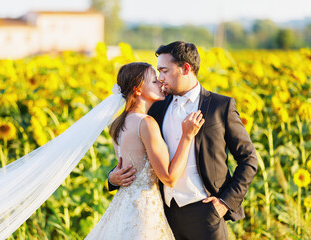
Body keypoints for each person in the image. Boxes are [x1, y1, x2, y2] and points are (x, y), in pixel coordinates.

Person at [108, 41, 258, 240]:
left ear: (185, 68)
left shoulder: (220, 106)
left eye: (164, 71)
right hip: (162, 215)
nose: (160, 79)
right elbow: (137, 153)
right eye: (158, 73)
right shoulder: (155, 107)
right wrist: (112, 178)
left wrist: (225, 203)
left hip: (206, 214)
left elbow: (249, 159)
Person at [85, 62, 205, 240]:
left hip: (123, 207)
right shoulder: (146, 123)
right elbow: (169, 177)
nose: (161, 83)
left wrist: (112, 178)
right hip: (144, 211)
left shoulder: (118, 124)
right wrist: (187, 136)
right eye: (154, 81)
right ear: (138, 90)